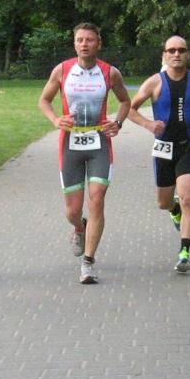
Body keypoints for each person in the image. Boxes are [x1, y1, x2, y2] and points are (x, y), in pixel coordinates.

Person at [38, 22, 132, 285]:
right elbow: (43, 100)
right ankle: (80, 227)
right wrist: (55, 119)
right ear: (74, 44)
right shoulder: (62, 70)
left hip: (99, 141)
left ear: (98, 44)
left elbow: (125, 101)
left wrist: (118, 122)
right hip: (70, 143)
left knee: (97, 199)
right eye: (80, 40)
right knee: (72, 211)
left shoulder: (110, 72)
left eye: (89, 40)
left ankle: (88, 262)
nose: (84, 44)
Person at [127, 35, 190, 273]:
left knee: (188, 197)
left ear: (188, 54)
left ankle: (184, 253)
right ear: (164, 55)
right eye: (172, 50)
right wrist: (149, 124)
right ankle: (173, 210)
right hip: (163, 148)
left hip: (189, 146)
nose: (176, 54)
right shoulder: (154, 82)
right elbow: (130, 109)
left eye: (181, 50)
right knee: (163, 202)